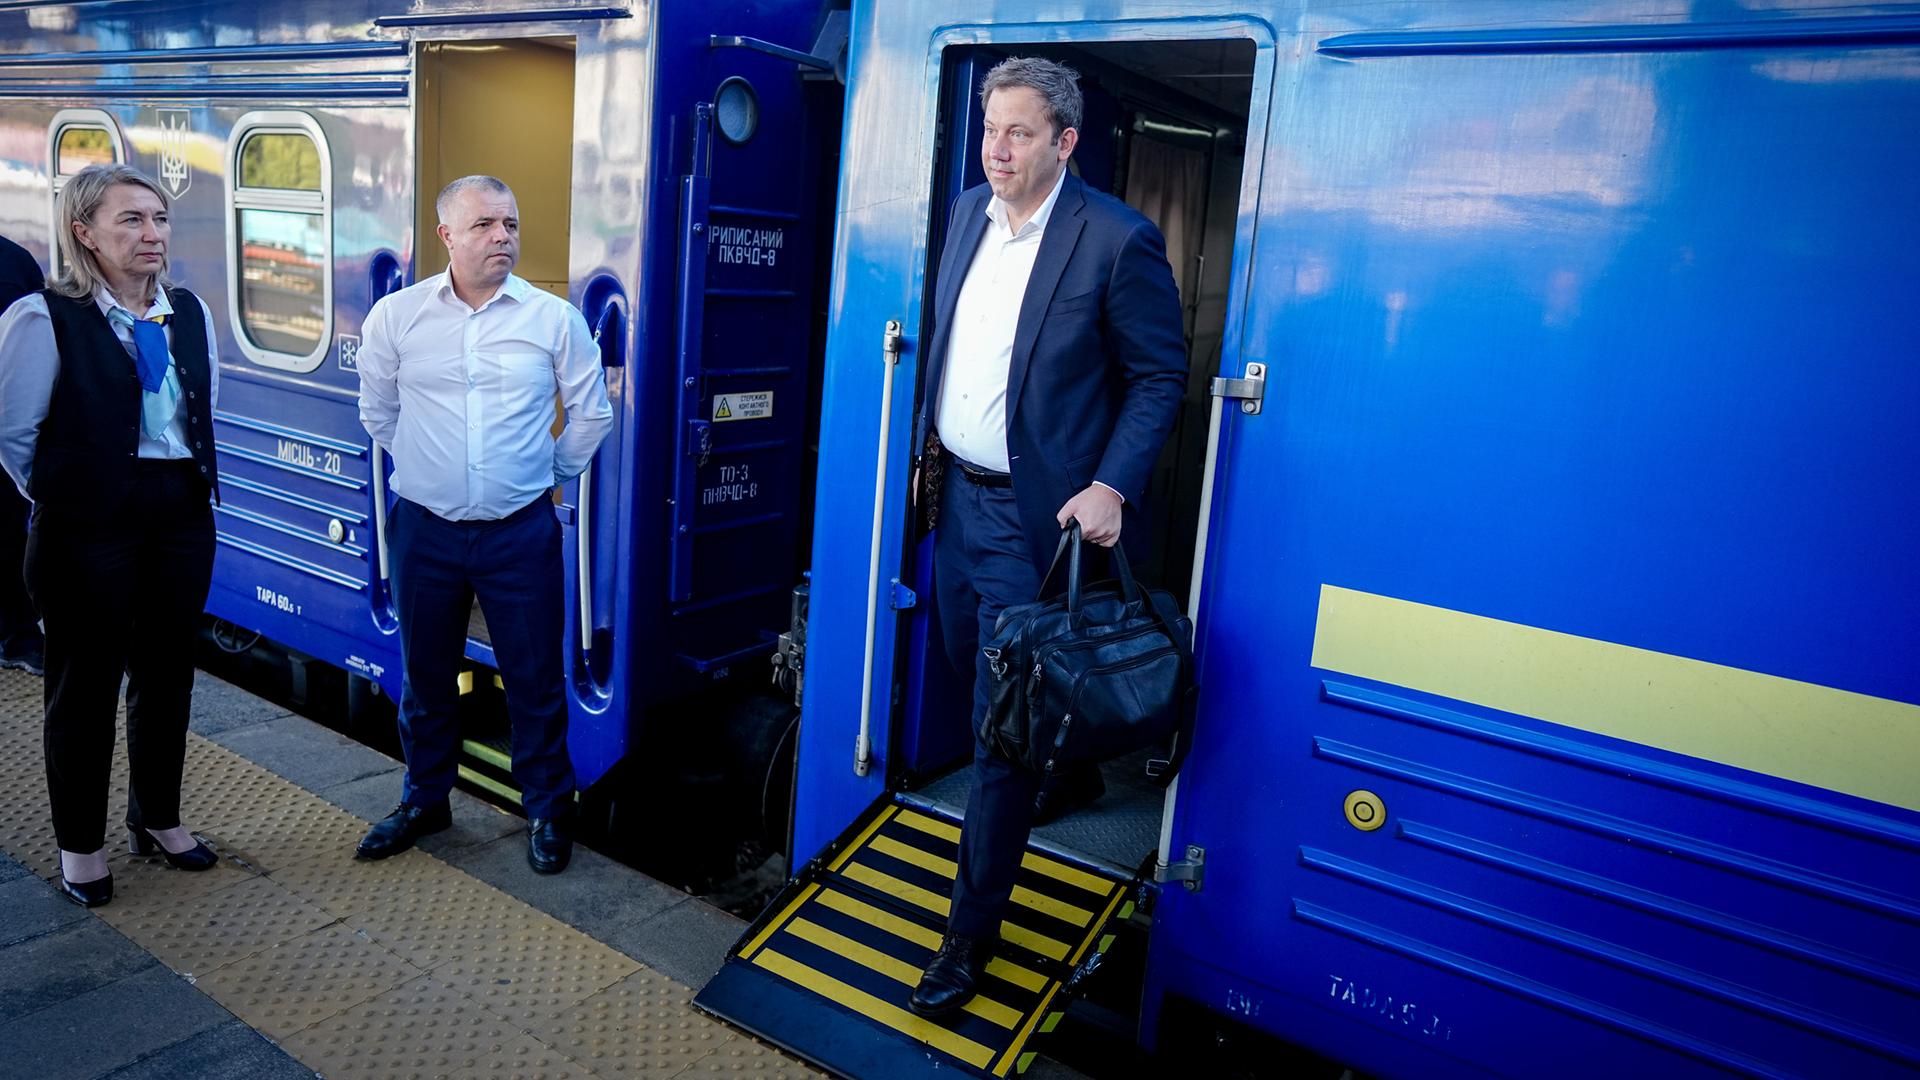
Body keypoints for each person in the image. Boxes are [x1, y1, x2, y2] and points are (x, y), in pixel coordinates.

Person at [908, 57, 1188, 1017]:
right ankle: (1054, 774)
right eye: (991, 129)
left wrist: (1111, 483)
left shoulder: (1116, 240)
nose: (997, 148)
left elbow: (1159, 377)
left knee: (997, 736)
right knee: (962, 669)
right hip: (957, 507)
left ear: (1065, 142)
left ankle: (965, 944)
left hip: (1040, 529)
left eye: (1019, 132)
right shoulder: (963, 218)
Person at [354, 175, 611, 874]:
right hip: (426, 532)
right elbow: (377, 413)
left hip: (519, 531)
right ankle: (424, 800)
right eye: (485, 225)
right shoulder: (398, 318)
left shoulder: (553, 320)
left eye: (511, 224)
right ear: (447, 237)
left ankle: (548, 811)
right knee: (426, 674)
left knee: (535, 681)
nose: (503, 236)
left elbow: (592, 415)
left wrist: (546, 479)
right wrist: (431, 468)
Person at [0, 165, 223, 908]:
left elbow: (200, 409)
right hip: (86, 524)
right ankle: (82, 847)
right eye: (130, 220)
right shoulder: (42, 318)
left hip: (181, 514)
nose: (152, 234)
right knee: (83, 688)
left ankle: (157, 819)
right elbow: (13, 433)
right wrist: (76, 490)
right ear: (83, 232)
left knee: (167, 677)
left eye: (159, 219)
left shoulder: (187, 312)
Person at [0, 234, 47, 677]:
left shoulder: (14, 261)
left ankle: (18, 635)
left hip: (5, 414)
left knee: (11, 532)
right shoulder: (15, 260)